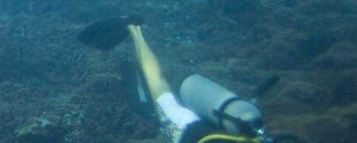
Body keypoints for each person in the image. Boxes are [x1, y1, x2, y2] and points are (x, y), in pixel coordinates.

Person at [79, 16, 296, 143]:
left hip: (237, 125)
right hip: (190, 131)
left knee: (154, 94)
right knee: (157, 88)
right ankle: (133, 28)